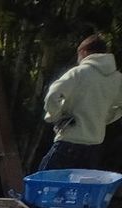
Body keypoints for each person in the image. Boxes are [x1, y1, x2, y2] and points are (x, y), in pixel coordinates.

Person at [41, 34, 122, 170]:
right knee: (82, 188)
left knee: (43, 184)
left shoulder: (79, 72)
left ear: (83, 52)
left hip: (70, 140)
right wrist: (104, 119)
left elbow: (53, 95)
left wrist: (56, 116)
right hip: (94, 145)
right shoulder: (117, 79)